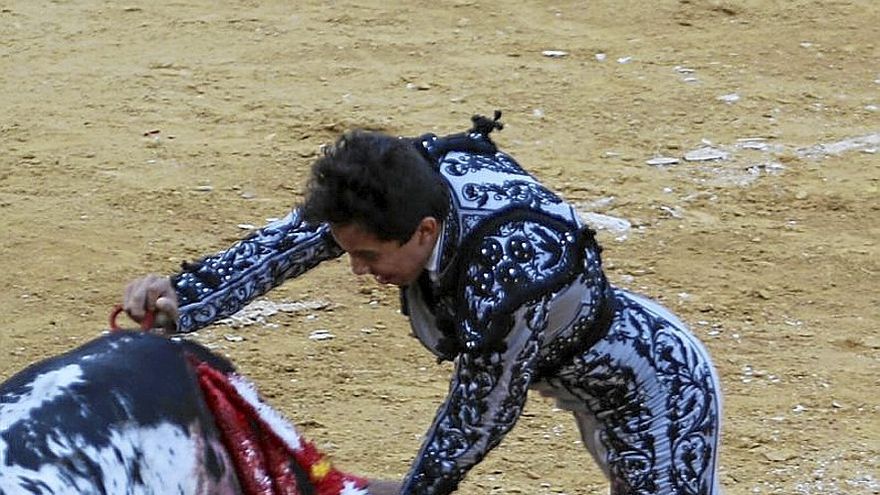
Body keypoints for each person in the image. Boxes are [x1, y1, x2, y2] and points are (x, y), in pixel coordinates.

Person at [123, 112, 723, 495]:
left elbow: (479, 414)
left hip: (650, 392)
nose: (357, 269)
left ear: (426, 232)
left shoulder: (512, 274)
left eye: (370, 258)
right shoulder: (403, 187)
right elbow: (296, 240)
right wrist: (185, 300)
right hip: (572, 365)